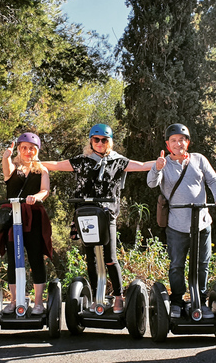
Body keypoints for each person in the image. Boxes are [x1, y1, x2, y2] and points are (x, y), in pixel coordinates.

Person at [43, 124, 152, 313]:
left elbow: (142, 166)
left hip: (107, 214)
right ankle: (95, 297)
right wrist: (33, 163)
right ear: (91, 141)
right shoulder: (82, 160)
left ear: (109, 142)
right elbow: (57, 165)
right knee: (91, 258)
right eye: (96, 139)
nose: (100, 143)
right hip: (85, 214)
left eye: (104, 140)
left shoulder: (117, 161)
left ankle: (118, 297)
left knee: (110, 256)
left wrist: (162, 162)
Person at [147, 123, 216, 319]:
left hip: (201, 222)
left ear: (187, 142)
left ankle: (198, 300)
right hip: (177, 225)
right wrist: (157, 169)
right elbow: (151, 183)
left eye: (182, 140)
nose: (178, 143)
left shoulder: (199, 160)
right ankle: (176, 302)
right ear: (168, 145)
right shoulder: (163, 163)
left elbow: (213, 181)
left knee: (202, 264)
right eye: (173, 141)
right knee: (177, 265)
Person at [0, 132, 53, 315]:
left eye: (32, 148)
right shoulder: (14, 168)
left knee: (35, 258)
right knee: (13, 259)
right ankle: (14, 300)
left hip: (33, 217)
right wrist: (6, 157)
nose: (28, 151)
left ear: (37, 150)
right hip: (13, 217)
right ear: (19, 149)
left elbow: (45, 190)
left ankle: (38, 302)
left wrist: (35, 197)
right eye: (24, 148)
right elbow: (7, 171)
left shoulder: (41, 169)